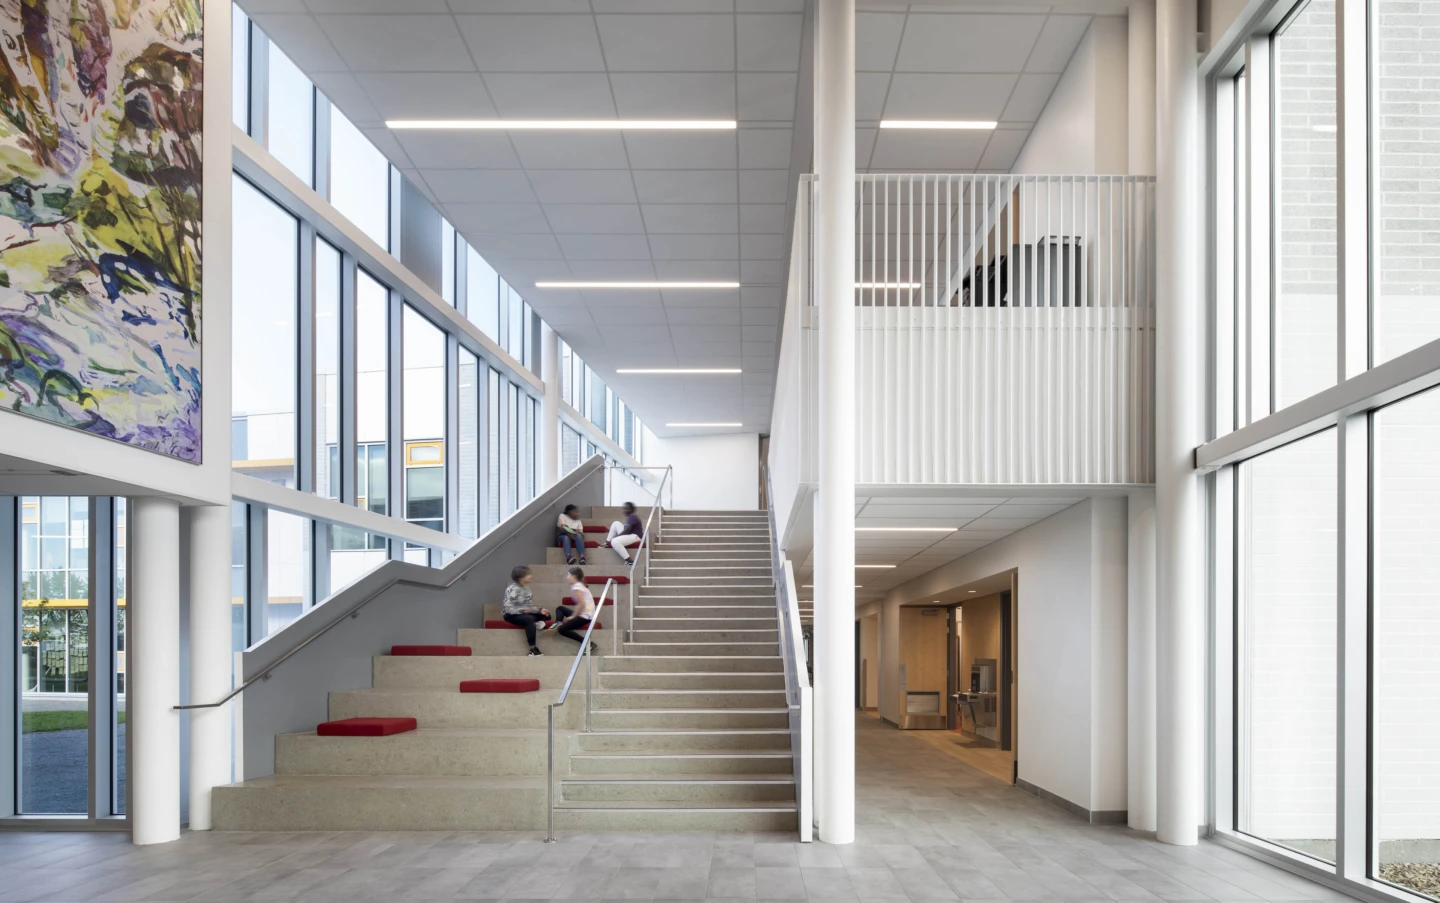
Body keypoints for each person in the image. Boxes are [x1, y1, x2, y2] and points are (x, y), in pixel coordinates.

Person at [500, 565, 551, 656]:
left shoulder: (527, 589)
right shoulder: (512, 589)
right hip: (511, 615)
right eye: (528, 574)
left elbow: (528, 607)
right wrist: (523, 610)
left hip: (523, 613)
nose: (531, 576)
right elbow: (509, 609)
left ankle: (537, 622)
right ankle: (533, 648)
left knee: (546, 615)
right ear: (521, 577)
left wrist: (539, 610)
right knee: (529, 619)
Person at [547, 567, 598, 654]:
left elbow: (582, 604)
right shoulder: (581, 585)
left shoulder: (577, 586)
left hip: (584, 617)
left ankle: (588, 644)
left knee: (562, 630)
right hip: (587, 614)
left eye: (568, 575)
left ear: (574, 576)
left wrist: (573, 616)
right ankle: (558, 623)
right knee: (560, 608)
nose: (567, 577)